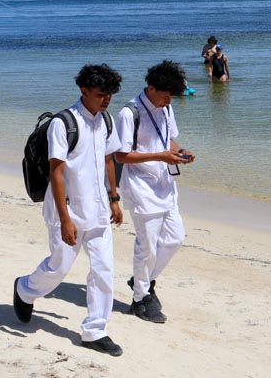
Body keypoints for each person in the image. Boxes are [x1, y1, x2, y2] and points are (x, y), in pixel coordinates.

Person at [13, 64, 125, 357]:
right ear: (84, 90)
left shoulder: (106, 121)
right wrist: (65, 219)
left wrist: (114, 198)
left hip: (99, 209)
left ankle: (95, 330)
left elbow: (110, 159)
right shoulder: (64, 123)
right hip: (69, 210)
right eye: (101, 94)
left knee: (104, 270)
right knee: (58, 267)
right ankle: (25, 289)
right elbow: (57, 172)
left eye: (110, 95)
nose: (106, 100)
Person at [113, 60, 194, 323]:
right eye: (165, 95)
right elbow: (121, 155)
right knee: (146, 245)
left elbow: (168, 139)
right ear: (150, 88)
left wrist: (181, 152)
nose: (168, 101)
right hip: (139, 186)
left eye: (172, 97)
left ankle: (142, 281)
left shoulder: (166, 107)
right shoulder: (129, 113)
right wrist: (161, 156)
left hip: (165, 184)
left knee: (175, 237)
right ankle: (140, 299)